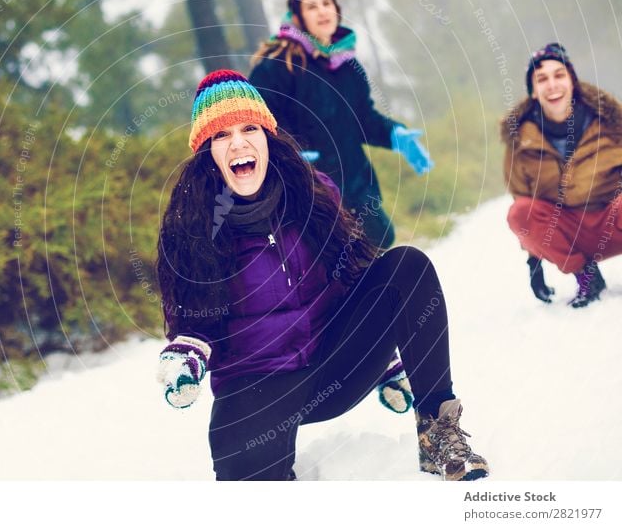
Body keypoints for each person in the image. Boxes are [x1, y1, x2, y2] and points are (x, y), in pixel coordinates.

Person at [155, 69, 488, 481]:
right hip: (258, 387)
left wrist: (385, 362)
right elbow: (194, 317)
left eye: (248, 128)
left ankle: (438, 432)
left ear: (267, 136)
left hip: (333, 369)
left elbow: (349, 274)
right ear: (207, 151)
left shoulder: (311, 192)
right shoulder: (190, 224)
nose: (238, 142)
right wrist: (186, 352)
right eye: (221, 135)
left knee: (407, 266)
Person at [249, 0, 433, 250]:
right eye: (312, 6)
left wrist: (396, 134)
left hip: (358, 188)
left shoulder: (347, 66)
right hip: (308, 192)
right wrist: (287, 153)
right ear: (298, 17)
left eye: (327, 3)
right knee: (331, 268)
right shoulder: (278, 65)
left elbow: (364, 120)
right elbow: (257, 120)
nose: (323, 10)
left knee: (379, 246)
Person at [502, 43, 622, 308]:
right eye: (541, 79)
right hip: (570, 237)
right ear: (533, 91)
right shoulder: (520, 142)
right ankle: (587, 278)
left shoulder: (612, 122)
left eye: (559, 75)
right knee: (518, 212)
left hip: (613, 226)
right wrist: (534, 262)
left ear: (572, 81)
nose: (552, 85)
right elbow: (526, 212)